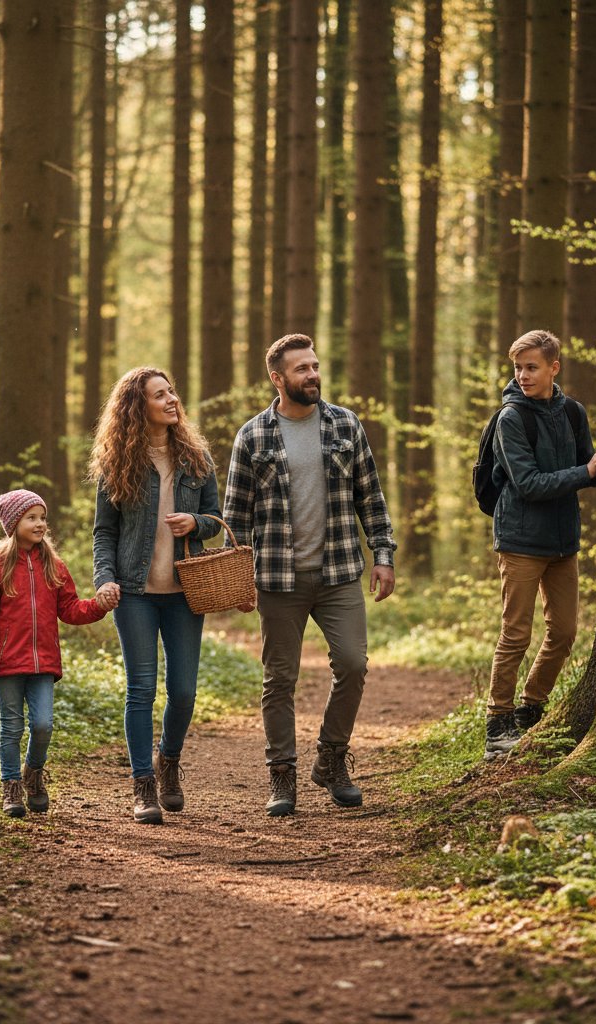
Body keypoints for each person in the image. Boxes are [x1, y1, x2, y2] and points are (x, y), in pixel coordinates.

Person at [223, 334, 396, 817]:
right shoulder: (252, 436)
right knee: (279, 679)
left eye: (315, 366)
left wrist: (383, 554)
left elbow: (371, 498)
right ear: (277, 379)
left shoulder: (345, 424)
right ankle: (282, 775)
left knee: (354, 665)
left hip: (339, 572)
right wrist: (238, 578)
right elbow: (235, 518)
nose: (312, 375)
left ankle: (332, 758)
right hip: (279, 580)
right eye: (301, 369)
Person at [90, 367, 222, 825]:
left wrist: (195, 523)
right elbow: (104, 533)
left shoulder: (197, 457)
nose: (171, 400)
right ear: (136, 406)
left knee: (184, 692)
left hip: (186, 590)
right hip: (134, 593)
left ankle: (169, 760)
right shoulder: (117, 463)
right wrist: (104, 579)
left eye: (171, 392)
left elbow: (216, 518)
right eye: (159, 395)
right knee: (141, 689)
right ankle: (143, 784)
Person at [484, 329, 596, 759]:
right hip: (520, 541)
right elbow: (529, 484)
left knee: (565, 632)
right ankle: (497, 723)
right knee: (515, 634)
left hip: (562, 543)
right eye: (518, 367)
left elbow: (589, 466)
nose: (523, 375)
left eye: (531, 367)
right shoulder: (511, 419)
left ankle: (531, 708)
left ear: (553, 368)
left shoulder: (573, 413)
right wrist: (588, 472)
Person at [0, 489, 116, 818]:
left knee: (43, 724)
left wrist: (99, 606)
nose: (40, 524)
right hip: (7, 663)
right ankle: (11, 786)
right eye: (31, 518)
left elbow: (72, 609)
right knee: (11, 727)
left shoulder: (55, 566)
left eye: (42, 517)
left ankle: (32, 775)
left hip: (43, 663)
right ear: (13, 523)